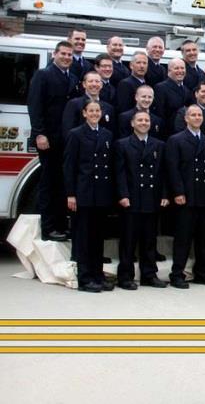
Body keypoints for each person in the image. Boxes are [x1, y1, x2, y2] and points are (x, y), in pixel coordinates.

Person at [27, 40, 79, 241]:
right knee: (48, 183)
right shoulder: (44, 75)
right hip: (48, 139)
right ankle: (47, 229)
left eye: (69, 55)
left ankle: (59, 225)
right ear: (54, 55)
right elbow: (35, 105)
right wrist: (39, 133)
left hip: (65, 139)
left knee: (61, 184)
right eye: (63, 54)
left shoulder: (72, 77)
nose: (67, 57)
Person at [165, 105, 205, 289]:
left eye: (199, 115)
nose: (197, 118)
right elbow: (173, 169)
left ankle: (202, 272)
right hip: (186, 196)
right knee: (183, 238)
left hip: (204, 196)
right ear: (186, 119)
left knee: (203, 238)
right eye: (193, 115)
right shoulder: (176, 140)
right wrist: (178, 192)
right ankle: (177, 274)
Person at [63, 100, 115, 292]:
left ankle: (98, 275)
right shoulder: (75, 134)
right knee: (84, 238)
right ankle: (85, 279)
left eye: (97, 111)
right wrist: (70, 194)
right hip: (83, 192)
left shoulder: (107, 134)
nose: (94, 113)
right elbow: (69, 166)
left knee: (98, 237)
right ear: (84, 113)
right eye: (90, 111)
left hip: (101, 193)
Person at [114, 110, 169, 290]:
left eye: (147, 120)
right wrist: (123, 195)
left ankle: (149, 275)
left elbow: (163, 173)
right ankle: (125, 276)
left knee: (149, 240)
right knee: (128, 240)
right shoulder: (122, 144)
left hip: (151, 199)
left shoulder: (159, 145)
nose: (144, 122)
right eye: (140, 120)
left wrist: (164, 195)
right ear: (132, 123)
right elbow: (120, 173)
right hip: (131, 199)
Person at [62, 70, 116, 139]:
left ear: (101, 85)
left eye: (97, 81)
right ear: (84, 84)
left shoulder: (109, 108)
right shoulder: (74, 104)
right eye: (90, 81)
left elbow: (111, 134)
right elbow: (67, 131)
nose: (94, 84)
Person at [153, 58, 193, 136]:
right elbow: (159, 114)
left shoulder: (187, 90)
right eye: (176, 68)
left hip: (184, 133)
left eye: (182, 68)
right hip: (167, 133)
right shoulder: (160, 88)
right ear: (169, 71)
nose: (180, 71)